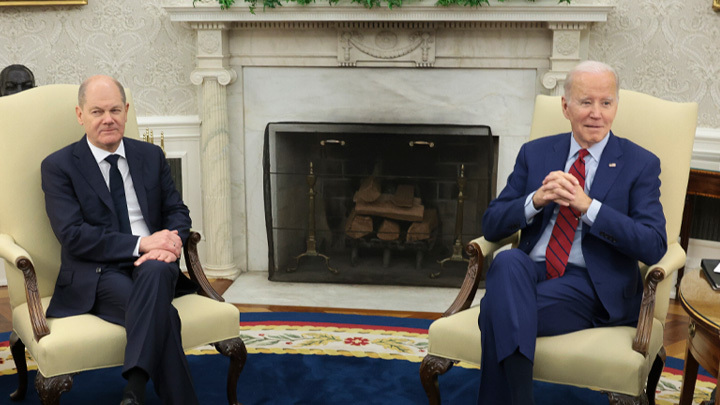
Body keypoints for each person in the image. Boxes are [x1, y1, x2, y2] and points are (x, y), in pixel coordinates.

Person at [476, 61, 667, 404]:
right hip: (532, 270)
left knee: (495, 309)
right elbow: (491, 224)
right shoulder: (535, 153)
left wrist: (589, 207)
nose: (596, 113)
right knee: (506, 262)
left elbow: (653, 244)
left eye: (606, 103)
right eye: (585, 102)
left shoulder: (640, 163)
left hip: (592, 284)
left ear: (616, 106)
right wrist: (535, 200)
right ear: (565, 107)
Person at [41, 75, 199, 405]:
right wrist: (143, 244)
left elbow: (177, 211)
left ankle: (134, 390)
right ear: (80, 115)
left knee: (157, 270)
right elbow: (73, 235)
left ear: (126, 111)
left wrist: (172, 241)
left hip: (154, 264)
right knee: (164, 316)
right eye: (97, 111)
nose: (108, 119)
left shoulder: (151, 156)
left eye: (115, 110)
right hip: (99, 273)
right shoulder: (59, 166)